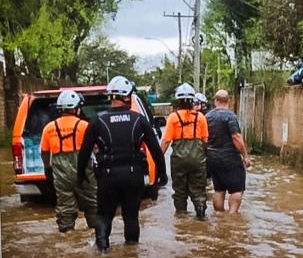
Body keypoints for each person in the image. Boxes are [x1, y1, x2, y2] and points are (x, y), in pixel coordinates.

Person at [77, 75, 167, 253]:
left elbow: (84, 152)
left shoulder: (97, 121)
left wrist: (80, 177)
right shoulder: (139, 120)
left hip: (107, 177)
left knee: (104, 215)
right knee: (131, 216)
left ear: (112, 97)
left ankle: (102, 250)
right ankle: (131, 251)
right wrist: (162, 175)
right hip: (133, 176)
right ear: (127, 97)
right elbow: (156, 150)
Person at [41, 90, 97, 233]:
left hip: (61, 173)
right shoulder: (85, 125)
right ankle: (97, 235)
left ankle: (67, 236)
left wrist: (48, 168)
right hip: (83, 171)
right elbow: (96, 148)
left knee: (65, 208)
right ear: (76, 108)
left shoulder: (49, 128)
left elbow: (44, 152)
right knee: (92, 204)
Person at [160, 83, 208, 220]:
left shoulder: (173, 118)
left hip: (178, 160)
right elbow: (205, 141)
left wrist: (157, 159)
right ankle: (200, 216)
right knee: (198, 190)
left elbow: (166, 142)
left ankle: (181, 219)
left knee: (180, 191)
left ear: (178, 100)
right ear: (192, 100)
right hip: (197, 159)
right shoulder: (201, 118)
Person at [206, 90, 250, 214]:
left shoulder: (207, 117)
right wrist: (245, 156)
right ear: (228, 101)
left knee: (219, 190)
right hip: (230, 159)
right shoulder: (230, 117)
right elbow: (236, 137)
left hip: (213, 158)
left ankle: (219, 216)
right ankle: (231, 217)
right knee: (236, 191)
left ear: (215, 101)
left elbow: (203, 139)